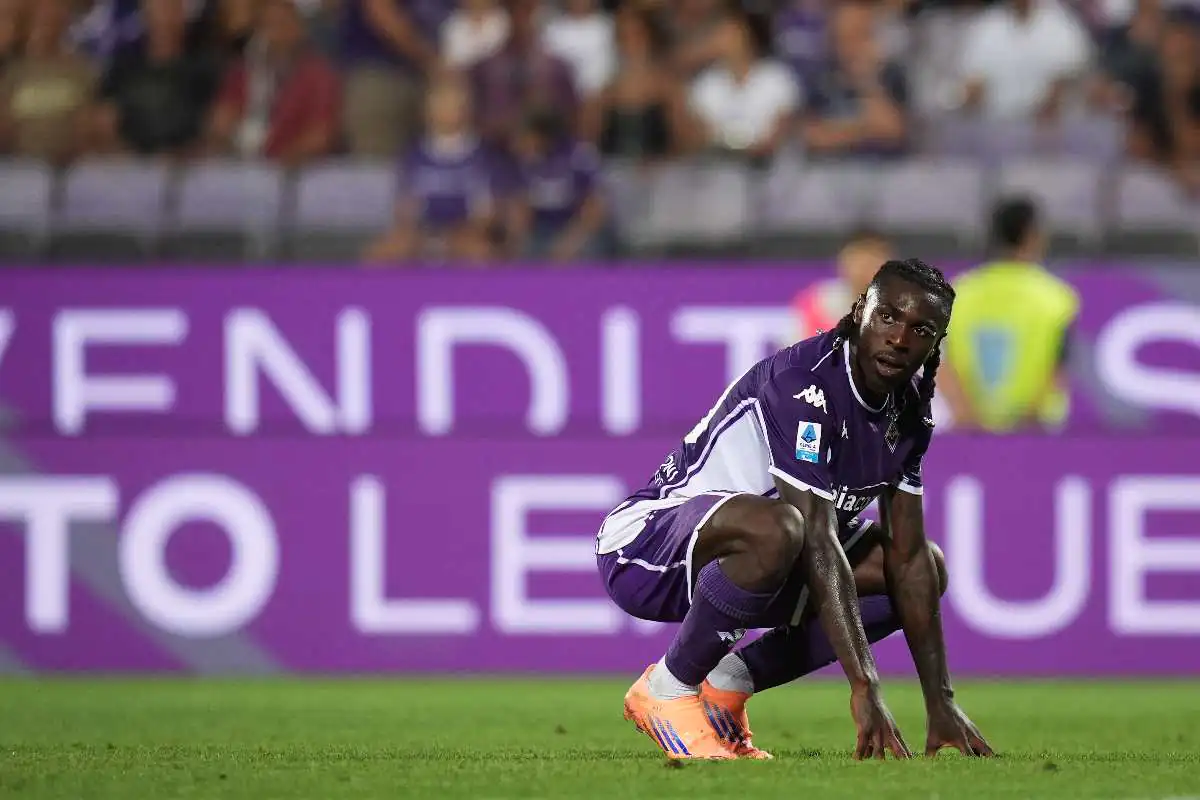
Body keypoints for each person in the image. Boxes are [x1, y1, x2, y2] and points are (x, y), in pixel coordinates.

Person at [595, 258, 994, 761]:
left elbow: (908, 558)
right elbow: (815, 536)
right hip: (644, 550)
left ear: (935, 343)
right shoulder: (804, 381)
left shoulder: (910, 412)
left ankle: (726, 686)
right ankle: (668, 689)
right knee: (788, 527)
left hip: (761, 560)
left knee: (925, 570)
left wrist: (940, 702)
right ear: (860, 312)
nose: (900, 338)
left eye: (921, 329)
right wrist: (864, 683)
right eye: (888, 317)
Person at [937, 196, 1079, 432]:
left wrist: (969, 421)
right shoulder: (1057, 298)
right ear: (1033, 237)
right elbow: (1056, 370)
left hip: (972, 434)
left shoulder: (958, 292)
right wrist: (1025, 426)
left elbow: (943, 364)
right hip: (1037, 434)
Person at [791, 228, 892, 340]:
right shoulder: (817, 303)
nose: (866, 265)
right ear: (842, 260)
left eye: (875, 256)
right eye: (859, 257)